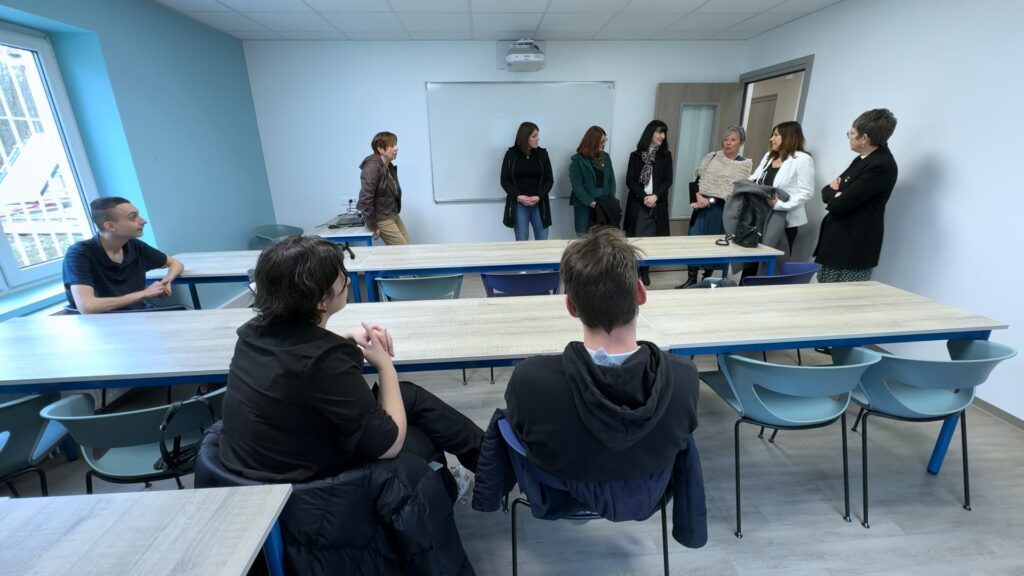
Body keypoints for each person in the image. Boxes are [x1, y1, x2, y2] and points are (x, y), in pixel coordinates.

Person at [472, 228, 703, 540]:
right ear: (640, 293)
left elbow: (524, 437)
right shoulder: (685, 377)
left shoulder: (531, 379)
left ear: (570, 306)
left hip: (558, 493)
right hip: (646, 495)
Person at [219, 235, 483, 497]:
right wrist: (385, 366)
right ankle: (454, 484)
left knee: (408, 394)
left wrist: (345, 336)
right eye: (341, 275)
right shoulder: (326, 362)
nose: (346, 278)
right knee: (419, 440)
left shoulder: (252, 333)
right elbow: (389, 445)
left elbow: (297, 362)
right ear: (321, 300)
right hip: (307, 483)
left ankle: (488, 461)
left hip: (262, 459)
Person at [814, 109, 898, 282]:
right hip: (838, 244)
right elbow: (826, 191)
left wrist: (837, 194)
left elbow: (840, 205)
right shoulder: (863, 159)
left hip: (851, 250)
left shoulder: (880, 165)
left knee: (840, 303)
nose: (849, 137)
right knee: (824, 296)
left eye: (851, 133)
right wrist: (836, 194)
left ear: (864, 138)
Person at [62, 197, 183, 314]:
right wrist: (145, 293)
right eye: (133, 217)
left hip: (139, 316)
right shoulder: (79, 254)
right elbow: (87, 306)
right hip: (104, 325)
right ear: (110, 226)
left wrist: (167, 281)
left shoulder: (134, 245)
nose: (143, 221)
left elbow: (175, 264)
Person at [678, 126, 754, 289]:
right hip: (701, 209)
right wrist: (698, 196)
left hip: (722, 211)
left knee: (713, 246)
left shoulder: (744, 165)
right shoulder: (712, 157)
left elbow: (738, 193)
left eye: (733, 140)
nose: (728, 143)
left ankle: (706, 281)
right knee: (694, 244)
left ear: (741, 142)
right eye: (726, 139)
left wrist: (711, 199)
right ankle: (691, 279)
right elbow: (698, 180)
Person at [748, 121, 815, 258]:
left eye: (776, 135)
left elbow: (807, 192)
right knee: (753, 258)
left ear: (788, 137)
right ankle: (747, 280)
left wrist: (781, 205)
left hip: (784, 220)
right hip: (761, 215)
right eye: (772, 135)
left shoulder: (802, 159)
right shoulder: (769, 156)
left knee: (773, 260)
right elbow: (756, 177)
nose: (771, 139)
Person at [624, 120, 673, 286]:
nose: (662, 136)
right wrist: (644, 196)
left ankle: (645, 272)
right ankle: (634, 271)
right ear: (650, 133)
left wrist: (655, 196)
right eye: (659, 132)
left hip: (656, 203)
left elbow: (668, 180)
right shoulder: (636, 155)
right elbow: (630, 181)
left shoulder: (665, 156)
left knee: (652, 241)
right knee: (636, 240)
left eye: (664, 133)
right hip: (639, 203)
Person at [501, 122, 554, 241]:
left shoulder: (543, 154)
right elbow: (504, 181)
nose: (538, 139)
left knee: (543, 242)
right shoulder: (511, 154)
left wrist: (539, 196)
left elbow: (549, 180)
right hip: (519, 204)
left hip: (540, 204)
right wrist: (518, 196)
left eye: (537, 136)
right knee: (522, 242)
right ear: (525, 137)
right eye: (534, 136)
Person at [357, 131, 408, 245]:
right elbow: (365, 199)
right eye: (392, 145)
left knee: (408, 248)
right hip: (382, 219)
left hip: (392, 215)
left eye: (396, 144)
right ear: (380, 149)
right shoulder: (372, 167)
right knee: (404, 252)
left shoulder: (388, 166)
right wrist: (373, 226)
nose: (396, 148)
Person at [569, 125, 616, 235]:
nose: (604, 144)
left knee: (603, 236)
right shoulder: (577, 160)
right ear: (593, 141)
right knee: (583, 236)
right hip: (584, 204)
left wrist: (609, 200)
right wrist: (590, 202)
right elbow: (577, 185)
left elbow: (611, 181)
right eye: (602, 142)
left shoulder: (606, 157)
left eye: (605, 141)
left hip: (603, 203)